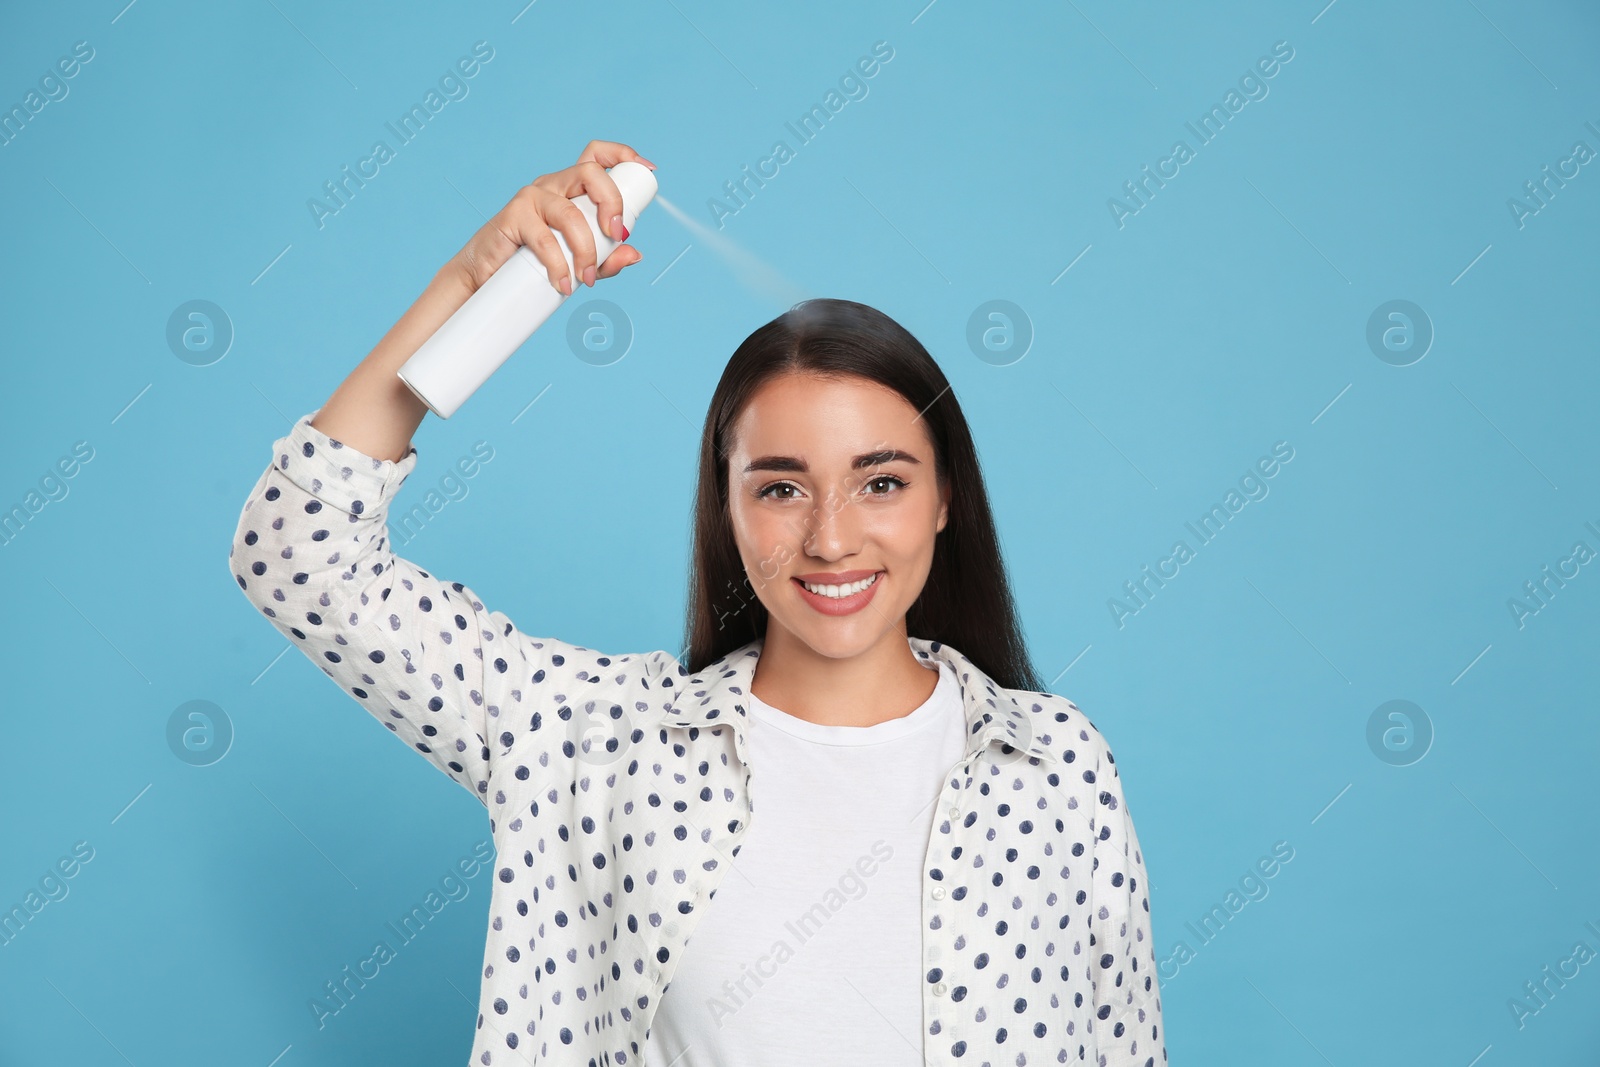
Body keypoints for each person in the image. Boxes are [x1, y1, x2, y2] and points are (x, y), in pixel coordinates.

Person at [229, 139, 1165, 1066]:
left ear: (946, 497)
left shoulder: (1057, 765)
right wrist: (474, 279)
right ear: (727, 505)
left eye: (881, 483)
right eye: (781, 487)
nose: (832, 539)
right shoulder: (595, 740)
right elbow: (297, 552)